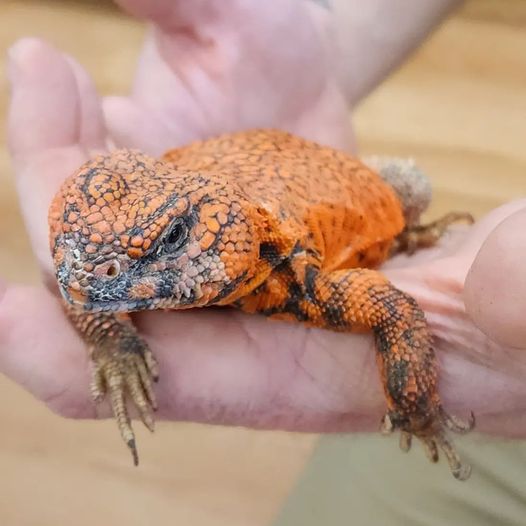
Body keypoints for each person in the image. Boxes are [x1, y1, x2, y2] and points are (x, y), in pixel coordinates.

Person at [2, 0, 525, 443]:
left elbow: (393, 308)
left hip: (319, 181)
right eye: (71, 249)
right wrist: (113, 342)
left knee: (409, 185)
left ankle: (401, 233)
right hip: (219, 167)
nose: (87, 276)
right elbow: (82, 285)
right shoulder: (114, 259)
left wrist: (415, 408)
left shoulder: (303, 283)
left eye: (176, 239)